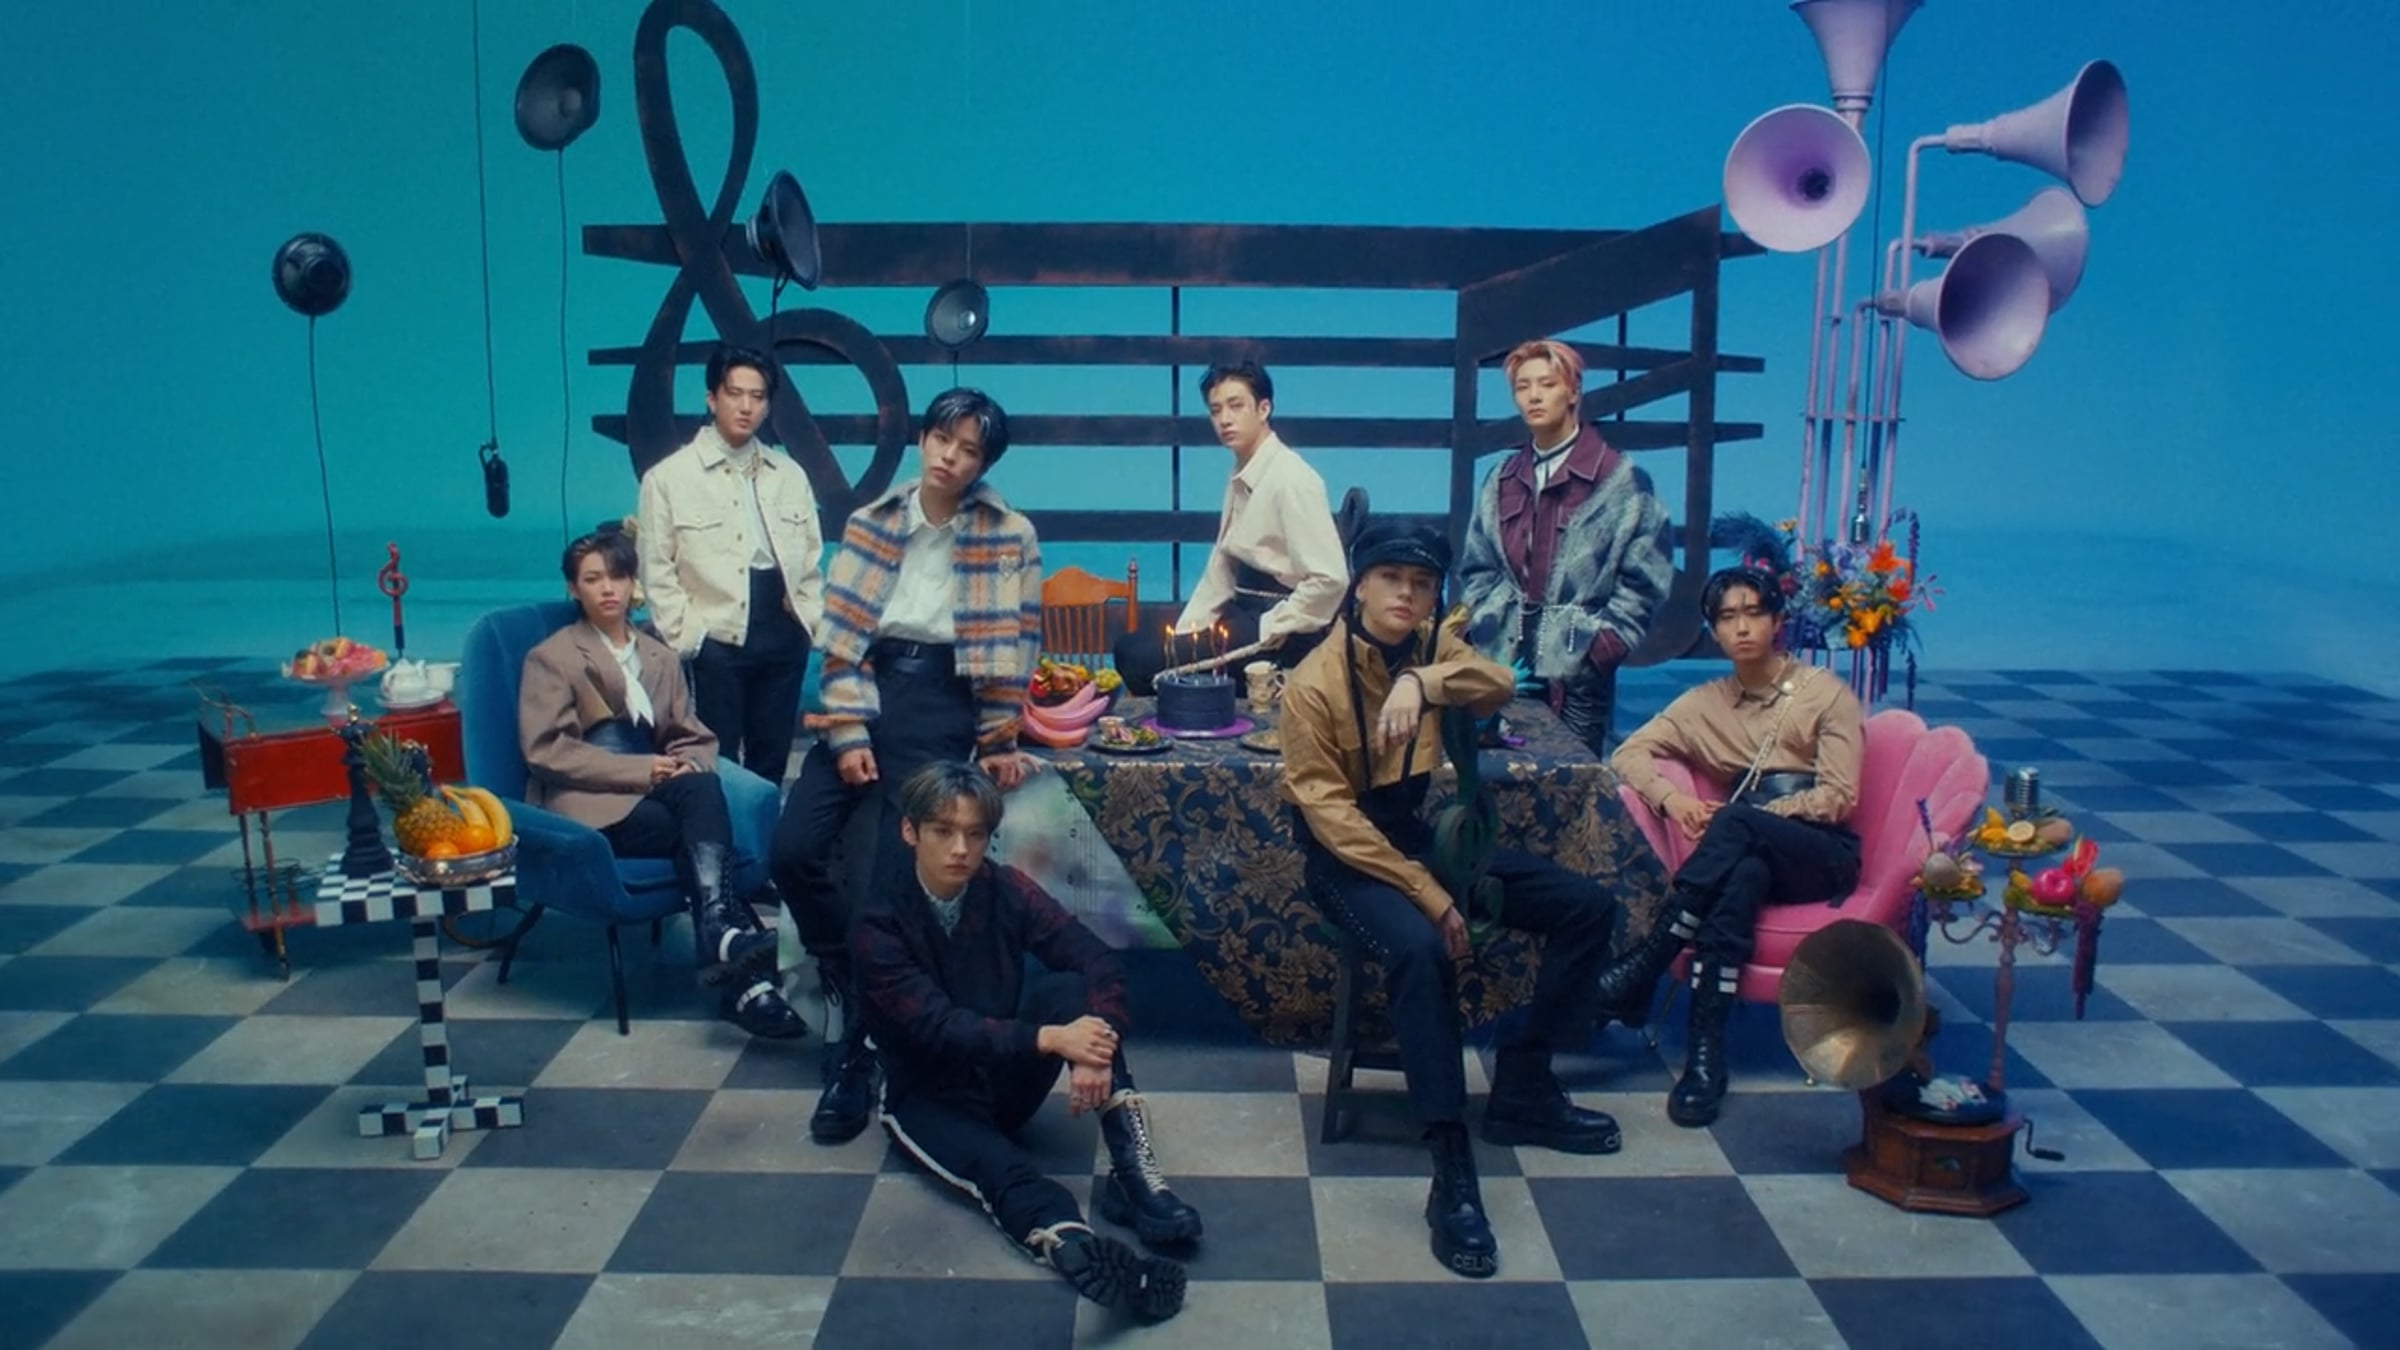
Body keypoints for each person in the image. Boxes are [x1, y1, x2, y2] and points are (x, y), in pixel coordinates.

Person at [1279, 518, 1624, 1280]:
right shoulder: (1312, 685)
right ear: (1359, 586)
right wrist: (1429, 893)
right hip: (1345, 861)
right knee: (1420, 950)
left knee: (1587, 907)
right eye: (1391, 579)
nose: (1406, 595)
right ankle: (1451, 1166)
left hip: (1418, 837)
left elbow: (1498, 683)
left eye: (1422, 583)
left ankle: (1524, 1084)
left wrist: (1423, 682)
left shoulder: (1433, 644)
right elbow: (1333, 821)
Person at [769, 387, 1044, 1145]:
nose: (951, 458)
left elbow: (1016, 647)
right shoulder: (872, 521)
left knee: (885, 880)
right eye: (942, 440)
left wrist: (998, 740)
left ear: (984, 463)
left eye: (969, 450)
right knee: (791, 850)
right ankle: (843, 972)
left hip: (941, 700)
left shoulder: (1010, 533)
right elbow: (841, 639)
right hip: (868, 687)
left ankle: (855, 1048)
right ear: (923, 439)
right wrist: (849, 727)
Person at [855, 762, 1197, 1322]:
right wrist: (1052, 1039)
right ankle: (1074, 1246)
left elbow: (1094, 959)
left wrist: (1095, 1048)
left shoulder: (1004, 888)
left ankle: (1134, 1176)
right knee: (1001, 1171)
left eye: (975, 834)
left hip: (1004, 1078)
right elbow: (940, 1028)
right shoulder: (878, 923)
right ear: (910, 831)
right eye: (943, 831)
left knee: (1073, 991)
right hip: (930, 1097)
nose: (961, 849)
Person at [1599, 566, 1865, 1127]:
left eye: (1754, 613)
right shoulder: (1706, 704)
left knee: (1740, 830)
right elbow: (1628, 754)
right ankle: (1705, 1059)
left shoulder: (1823, 694)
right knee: (1742, 877)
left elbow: (1839, 797)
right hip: (1750, 853)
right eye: (1727, 617)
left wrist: (1759, 818)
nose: (1742, 627)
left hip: (1820, 852)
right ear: (1713, 630)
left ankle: (1650, 958)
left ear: (1777, 622)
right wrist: (1673, 800)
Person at [518, 529, 805, 1038]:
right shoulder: (553, 656)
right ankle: (740, 971)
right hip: (587, 803)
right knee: (701, 831)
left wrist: (688, 761)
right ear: (573, 588)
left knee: (701, 788)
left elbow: (690, 735)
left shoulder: (659, 655)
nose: (608, 588)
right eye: (593, 579)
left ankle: (722, 946)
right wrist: (641, 771)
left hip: (653, 789)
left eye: (618, 576)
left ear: (634, 583)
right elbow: (546, 751)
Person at [1458, 338, 1673, 757]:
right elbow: (1477, 566)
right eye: (1522, 387)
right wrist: (1485, 627)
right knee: (1493, 772)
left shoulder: (1621, 480)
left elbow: (1648, 579)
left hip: (1577, 670)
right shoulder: (1502, 477)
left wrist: (1599, 649)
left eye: (1548, 384)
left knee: (1570, 778)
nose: (1534, 396)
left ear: (1573, 391)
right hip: (1501, 660)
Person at [636, 344, 826, 783]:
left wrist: (808, 623)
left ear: (768, 405)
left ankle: (765, 830)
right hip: (715, 634)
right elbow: (657, 570)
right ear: (711, 398)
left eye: (757, 397)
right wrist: (691, 638)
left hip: (783, 630)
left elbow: (811, 561)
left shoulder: (789, 474)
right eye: (735, 393)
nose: (746, 406)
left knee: (771, 757)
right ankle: (720, 830)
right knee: (716, 760)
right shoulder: (668, 478)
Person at [1114, 361, 1347, 690]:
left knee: (1139, 660)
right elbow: (1221, 568)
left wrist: (1272, 626)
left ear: (1264, 408)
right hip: (1242, 612)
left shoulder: (1293, 479)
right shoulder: (1242, 470)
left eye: (1236, 406)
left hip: (1279, 630)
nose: (1224, 419)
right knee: (1131, 647)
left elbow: (1332, 579)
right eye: (1216, 410)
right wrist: (1187, 633)